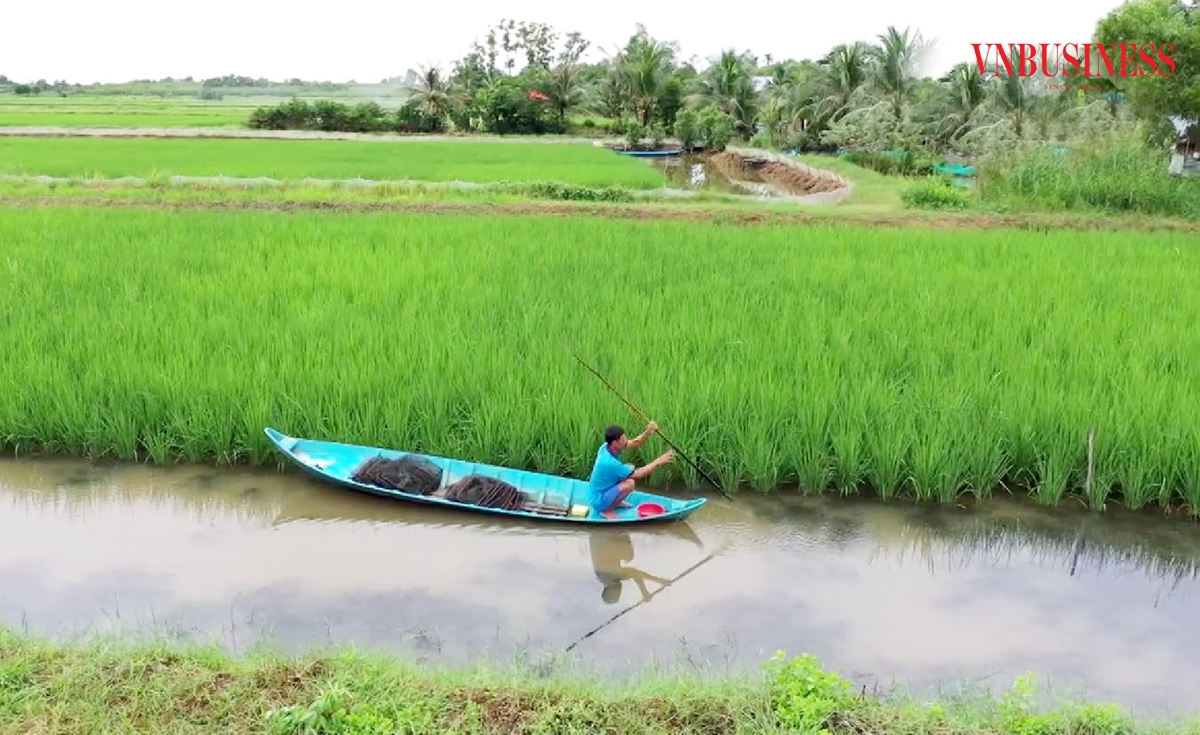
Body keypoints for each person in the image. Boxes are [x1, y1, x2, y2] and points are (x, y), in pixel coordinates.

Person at [586, 421, 673, 518]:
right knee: (630, 483)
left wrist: (648, 431)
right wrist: (658, 461)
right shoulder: (609, 462)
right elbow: (639, 474)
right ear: (615, 443)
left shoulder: (607, 447)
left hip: (603, 490)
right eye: (623, 439)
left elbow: (636, 442)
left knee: (628, 468)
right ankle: (606, 509)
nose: (626, 440)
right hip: (598, 500)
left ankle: (615, 502)